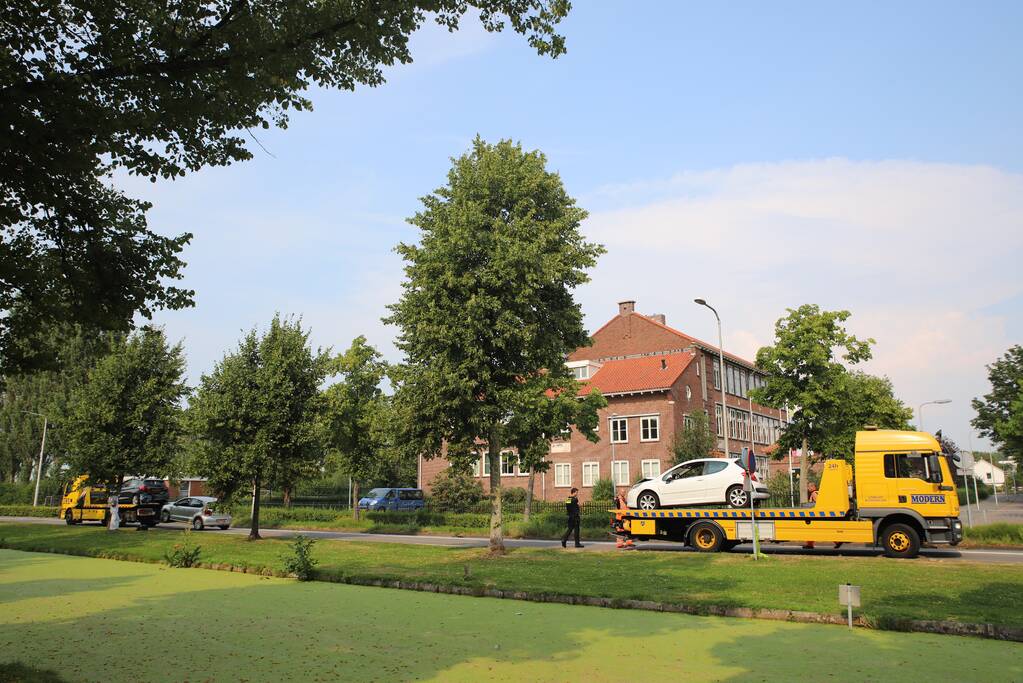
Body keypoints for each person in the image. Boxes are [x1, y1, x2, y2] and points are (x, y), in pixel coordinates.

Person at [802, 482, 818, 549]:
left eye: (809, 487)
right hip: (816, 515)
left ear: (813, 487)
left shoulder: (814, 494)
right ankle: (809, 544)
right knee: (811, 531)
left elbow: (817, 504)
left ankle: (810, 544)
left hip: (814, 515)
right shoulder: (817, 492)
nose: (808, 488)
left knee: (810, 530)